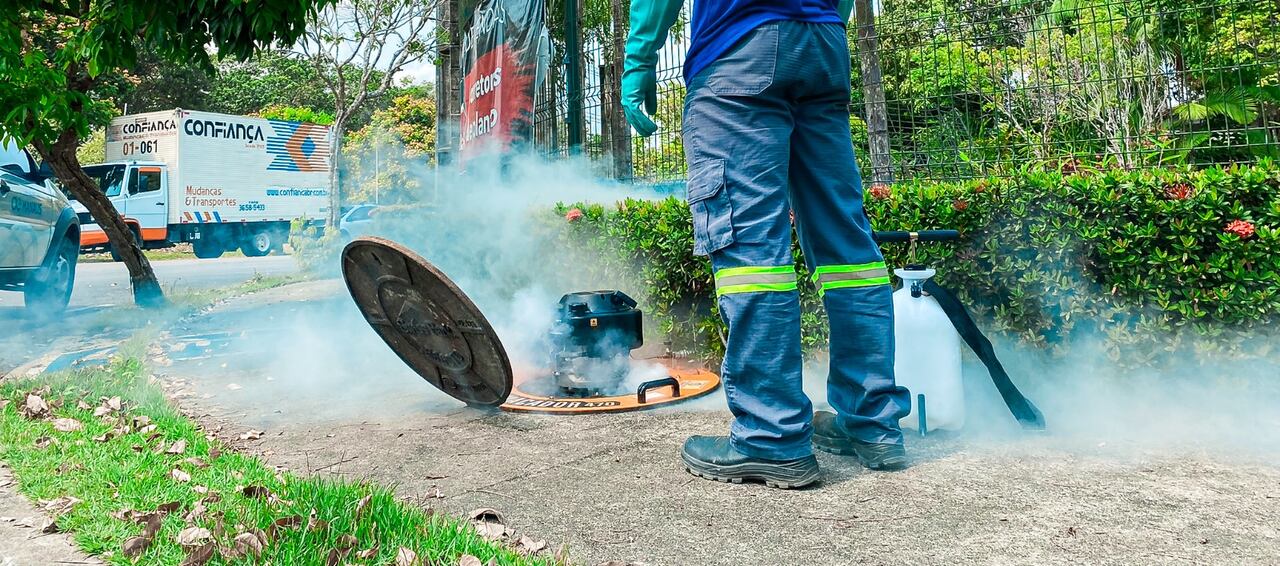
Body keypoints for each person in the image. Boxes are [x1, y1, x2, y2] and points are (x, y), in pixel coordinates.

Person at [622, 0, 911, 488]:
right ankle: (874, 422)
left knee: (751, 254)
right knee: (847, 248)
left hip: (741, 47)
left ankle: (770, 435)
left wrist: (639, 60)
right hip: (823, 45)